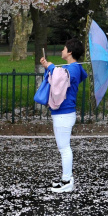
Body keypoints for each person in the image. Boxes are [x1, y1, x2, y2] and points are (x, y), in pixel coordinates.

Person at [40, 38, 88, 193]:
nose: (62, 50)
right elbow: (61, 76)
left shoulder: (73, 69)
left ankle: (67, 181)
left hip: (64, 114)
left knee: (64, 148)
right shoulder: (74, 68)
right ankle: (66, 179)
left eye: (64, 48)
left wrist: (50, 66)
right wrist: (49, 67)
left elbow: (60, 76)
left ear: (70, 52)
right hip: (65, 113)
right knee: (64, 147)